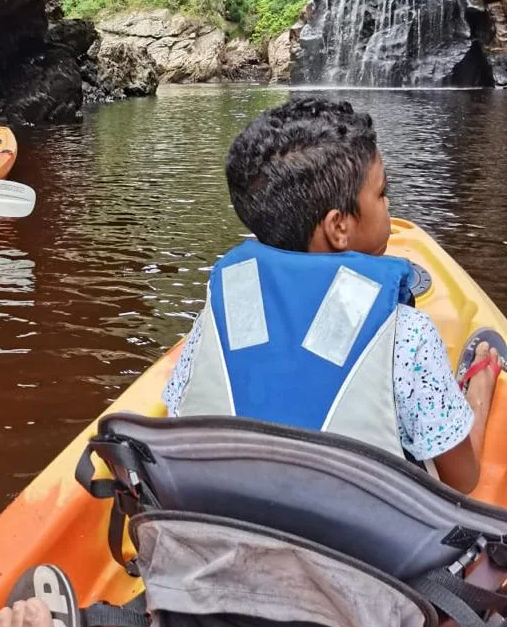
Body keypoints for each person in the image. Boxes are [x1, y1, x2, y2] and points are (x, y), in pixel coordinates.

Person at [163, 96, 501, 495]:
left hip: (230, 525)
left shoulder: (221, 312)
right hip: (360, 549)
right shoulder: (406, 334)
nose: (389, 203)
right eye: (382, 192)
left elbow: (178, 410)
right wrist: (480, 393)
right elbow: (462, 480)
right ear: (338, 227)